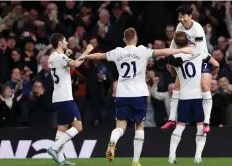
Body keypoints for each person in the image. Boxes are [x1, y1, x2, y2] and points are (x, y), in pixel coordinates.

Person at [83, 27, 195, 166]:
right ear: (136, 39)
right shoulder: (143, 50)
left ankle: (113, 141)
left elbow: (100, 55)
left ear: (124, 40)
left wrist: (86, 55)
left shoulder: (118, 52)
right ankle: (135, 161)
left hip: (122, 94)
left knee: (120, 127)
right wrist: (182, 50)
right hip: (139, 94)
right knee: (139, 126)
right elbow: (164, 51)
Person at [162, 5, 219, 133]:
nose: (181, 19)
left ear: (190, 16)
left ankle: (206, 122)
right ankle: (171, 119)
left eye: (183, 16)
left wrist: (181, 59)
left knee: (204, 86)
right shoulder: (179, 27)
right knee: (176, 85)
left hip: (202, 58)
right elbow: (174, 44)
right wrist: (170, 56)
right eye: (179, 16)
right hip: (187, 58)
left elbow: (199, 51)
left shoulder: (197, 29)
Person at [46, 33, 94, 166]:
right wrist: (87, 51)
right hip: (65, 97)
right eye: (65, 40)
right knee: (78, 126)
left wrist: (66, 55)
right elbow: (76, 64)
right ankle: (54, 148)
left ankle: (60, 159)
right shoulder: (60, 57)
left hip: (58, 97)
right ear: (60, 43)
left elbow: (61, 67)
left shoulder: (52, 57)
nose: (67, 42)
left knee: (62, 127)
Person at [168, 31, 209, 164]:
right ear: (188, 41)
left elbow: (173, 71)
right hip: (198, 96)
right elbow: (211, 60)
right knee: (200, 127)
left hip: (184, 96)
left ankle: (171, 156)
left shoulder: (174, 57)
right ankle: (197, 157)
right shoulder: (195, 51)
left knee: (180, 127)